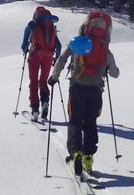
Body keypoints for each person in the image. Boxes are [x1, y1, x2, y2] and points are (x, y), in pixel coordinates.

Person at [47, 11, 119, 175]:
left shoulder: (77, 43)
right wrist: (108, 67)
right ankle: (88, 157)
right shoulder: (104, 49)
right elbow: (115, 73)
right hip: (95, 91)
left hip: (77, 88)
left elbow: (61, 60)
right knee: (90, 123)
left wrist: (54, 76)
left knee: (75, 122)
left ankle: (76, 153)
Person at [21, 6, 61, 121]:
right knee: (43, 81)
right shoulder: (51, 27)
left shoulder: (32, 25)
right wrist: (56, 59)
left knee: (33, 82)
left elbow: (24, 45)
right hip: (48, 57)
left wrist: (25, 49)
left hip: (34, 57)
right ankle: (45, 102)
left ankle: (34, 109)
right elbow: (58, 46)